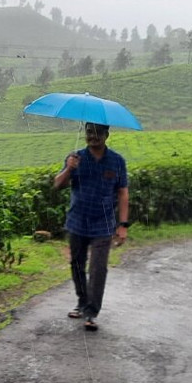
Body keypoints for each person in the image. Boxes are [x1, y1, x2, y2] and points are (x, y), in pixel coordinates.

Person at [53, 122, 130, 331]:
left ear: (107, 135)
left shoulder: (117, 161)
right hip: (77, 221)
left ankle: (91, 312)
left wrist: (123, 225)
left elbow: (123, 193)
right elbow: (57, 184)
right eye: (89, 132)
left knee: (98, 268)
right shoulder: (75, 158)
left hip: (103, 225)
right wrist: (69, 168)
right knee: (77, 264)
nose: (93, 136)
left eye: (98, 133)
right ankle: (81, 301)